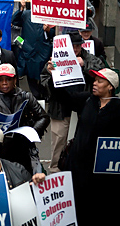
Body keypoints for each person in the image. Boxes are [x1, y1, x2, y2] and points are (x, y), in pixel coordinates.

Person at [61, 68, 120, 225]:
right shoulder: (87, 100)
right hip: (78, 170)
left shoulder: (117, 108)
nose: (94, 83)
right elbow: (64, 98)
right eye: (94, 80)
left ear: (110, 87)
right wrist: (55, 74)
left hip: (102, 177)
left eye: (99, 81)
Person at [41, 31, 105, 174]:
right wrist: (52, 75)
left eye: (78, 46)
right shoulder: (54, 60)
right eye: (72, 46)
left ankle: (79, 171)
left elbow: (103, 74)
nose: (75, 50)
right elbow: (43, 83)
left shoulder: (89, 58)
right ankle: (55, 173)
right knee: (58, 142)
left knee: (84, 141)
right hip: (60, 108)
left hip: (84, 106)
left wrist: (85, 65)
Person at [0, 64, 50, 174]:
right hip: (2, 147)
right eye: (1, 80)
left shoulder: (26, 96)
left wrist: (31, 132)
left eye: (8, 79)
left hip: (23, 146)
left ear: (15, 80)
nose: (4, 83)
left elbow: (44, 117)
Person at [12, 0, 54, 99]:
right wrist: (21, 9)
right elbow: (15, 21)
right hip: (29, 51)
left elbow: (54, 34)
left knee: (43, 74)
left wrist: (48, 30)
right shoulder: (27, 14)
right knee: (31, 75)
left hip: (43, 51)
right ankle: (37, 96)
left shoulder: (49, 15)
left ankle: (45, 94)